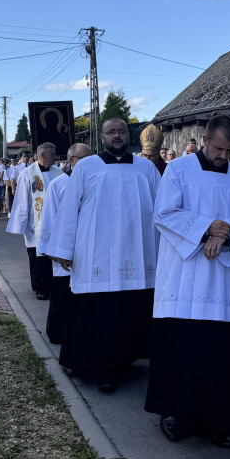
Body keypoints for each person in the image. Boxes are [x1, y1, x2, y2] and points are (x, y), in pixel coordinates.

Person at [145, 115, 230, 448]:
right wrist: (207, 227)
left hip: (219, 280)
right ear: (205, 139)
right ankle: (176, 415)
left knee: (217, 352)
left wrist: (222, 236)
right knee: (181, 347)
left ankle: (220, 421)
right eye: (218, 148)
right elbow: (164, 213)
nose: (223, 155)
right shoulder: (179, 170)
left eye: (229, 149)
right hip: (181, 277)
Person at [51, 118, 160, 392]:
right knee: (100, 314)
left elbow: (162, 209)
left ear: (129, 135)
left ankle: (125, 362)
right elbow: (68, 210)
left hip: (138, 253)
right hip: (96, 254)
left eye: (122, 131)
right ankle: (99, 368)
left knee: (129, 310)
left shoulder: (146, 168)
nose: (117, 136)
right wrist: (64, 250)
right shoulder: (87, 167)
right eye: (111, 132)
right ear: (102, 137)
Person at [37, 143, 93, 343]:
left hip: (87, 248)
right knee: (62, 293)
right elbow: (50, 218)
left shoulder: (95, 181)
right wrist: (54, 250)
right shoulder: (59, 184)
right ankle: (58, 333)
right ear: (72, 161)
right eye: (86, 159)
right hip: (64, 250)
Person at [6, 142, 61, 300]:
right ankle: (40, 287)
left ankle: (53, 285)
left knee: (53, 256)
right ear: (43, 155)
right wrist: (21, 224)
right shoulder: (28, 173)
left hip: (55, 222)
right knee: (38, 257)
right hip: (35, 223)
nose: (56, 157)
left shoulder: (59, 172)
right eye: (53, 154)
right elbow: (22, 201)